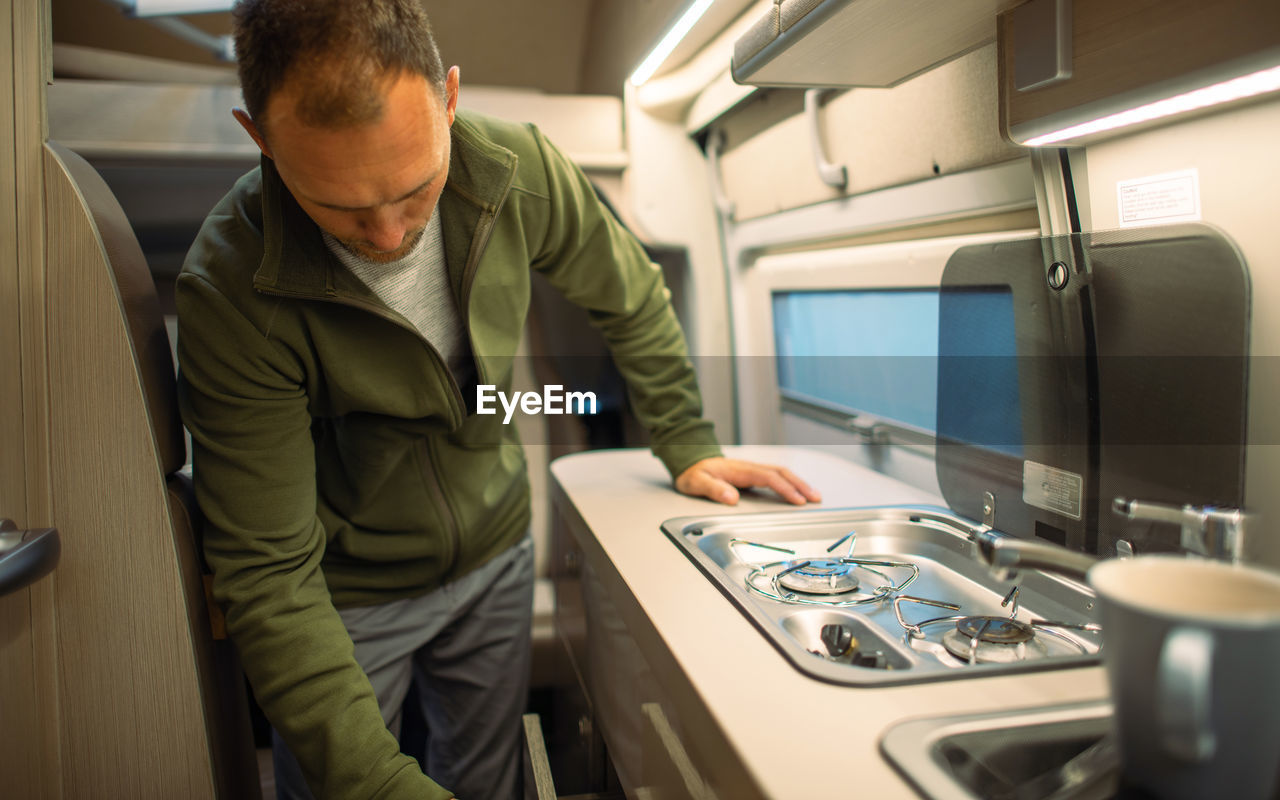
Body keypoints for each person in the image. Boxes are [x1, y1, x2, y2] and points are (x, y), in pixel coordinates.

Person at [176, 1, 820, 798]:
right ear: (260, 139)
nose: (386, 235)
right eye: (340, 206)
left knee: (487, 779)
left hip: (495, 551)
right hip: (344, 595)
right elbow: (267, 571)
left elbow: (631, 296)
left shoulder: (517, 171)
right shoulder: (231, 289)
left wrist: (686, 441)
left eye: (415, 190)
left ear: (448, 99)